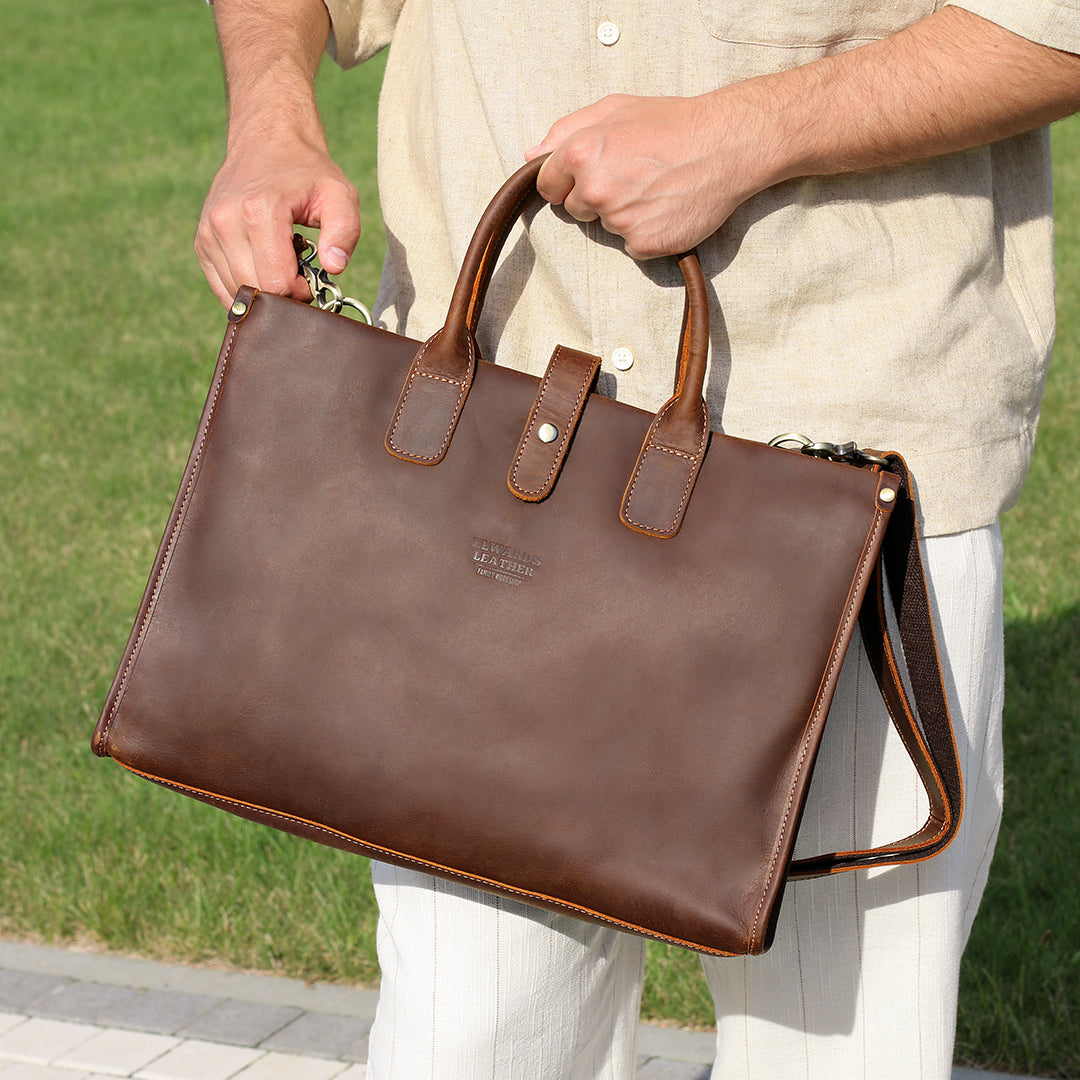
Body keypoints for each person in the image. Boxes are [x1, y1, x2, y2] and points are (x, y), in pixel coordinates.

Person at [196, 3, 1080, 1077]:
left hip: (838, 477)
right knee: (465, 1043)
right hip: (487, 455)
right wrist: (270, 120)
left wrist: (746, 133)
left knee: (837, 1052)